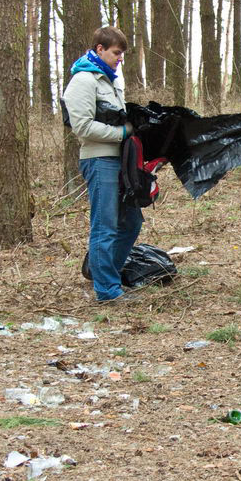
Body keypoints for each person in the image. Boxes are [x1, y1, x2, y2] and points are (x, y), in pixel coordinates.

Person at [63, 26, 140, 302]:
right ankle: (107, 290)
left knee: (131, 222)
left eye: (122, 54)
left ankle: (106, 275)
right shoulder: (83, 80)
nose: (120, 58)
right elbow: (82, 127)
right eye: (116, 53)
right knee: (105, 225)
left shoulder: (111, 81)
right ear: (100, 49)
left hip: (120, 161)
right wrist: (122, 133)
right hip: (99, 159)